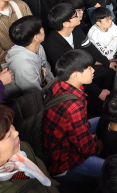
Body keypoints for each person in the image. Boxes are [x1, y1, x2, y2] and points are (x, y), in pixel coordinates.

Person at [43, 50, 104, 182]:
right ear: (75, 74)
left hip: (64, 141)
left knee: (103, 120)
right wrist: (98, 146)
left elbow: (79, 128)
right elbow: (85, 148)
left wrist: (89, 135)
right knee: (114, 170)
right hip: (64, 162)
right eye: (88, 68)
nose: (93, 70)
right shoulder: (72, 106)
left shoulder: (60, 82)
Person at [45, 3, 114, 116]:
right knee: (92, 97)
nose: (79, 16)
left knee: (109, 72)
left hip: (83, 68)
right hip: (70, 79)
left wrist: (107, 63)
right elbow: (71, 73)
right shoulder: (53, 44)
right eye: (75, 16)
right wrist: (98, 92)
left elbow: (90, 48)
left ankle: (105, 100)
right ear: (65, 23)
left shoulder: (76, 30)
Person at [6, 16, 54, 96]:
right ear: (36, 37)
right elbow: (35, 94)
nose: (43, 28)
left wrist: (53, 86)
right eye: (41, 28)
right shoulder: (23, 67)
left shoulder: (38, 47)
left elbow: (45, 69)